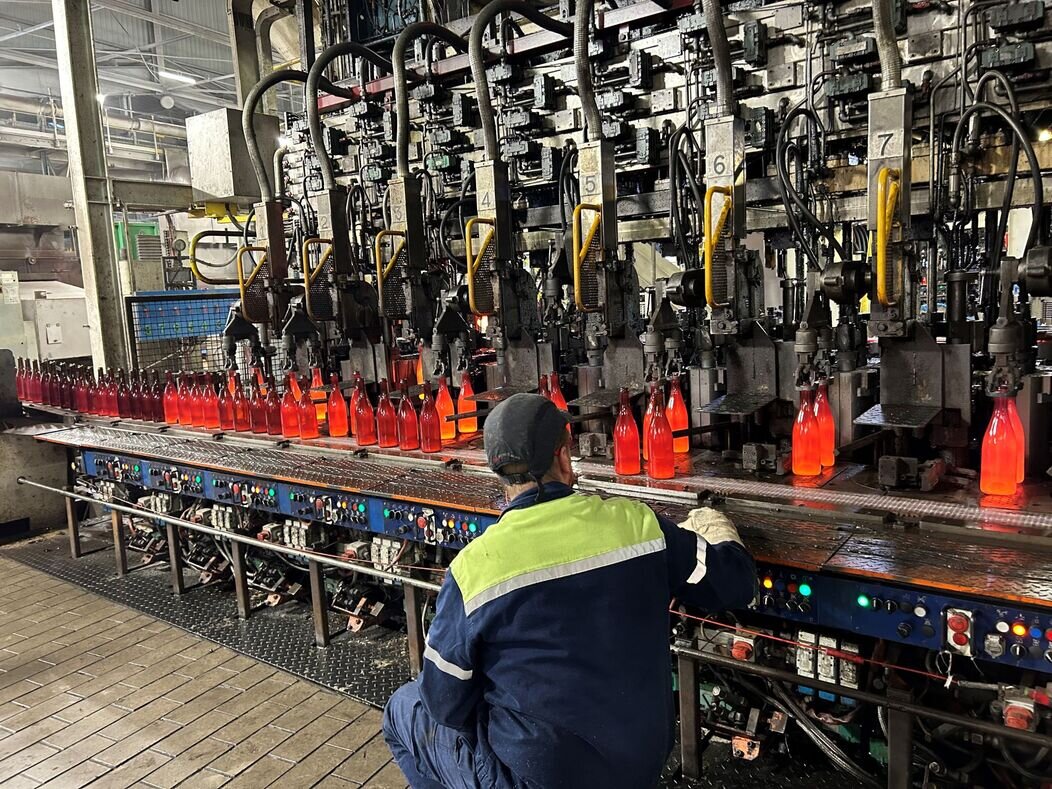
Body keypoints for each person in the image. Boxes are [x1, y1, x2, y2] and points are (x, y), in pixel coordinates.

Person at [383, 393, 755, 788]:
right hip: (637, 766)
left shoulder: (476, 568)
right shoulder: (638, 526)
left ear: (496, 470)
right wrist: (717, 527)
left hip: (538, 773)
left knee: (403, 709)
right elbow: (735, 584)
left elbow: (443, 704)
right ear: (563, 457)